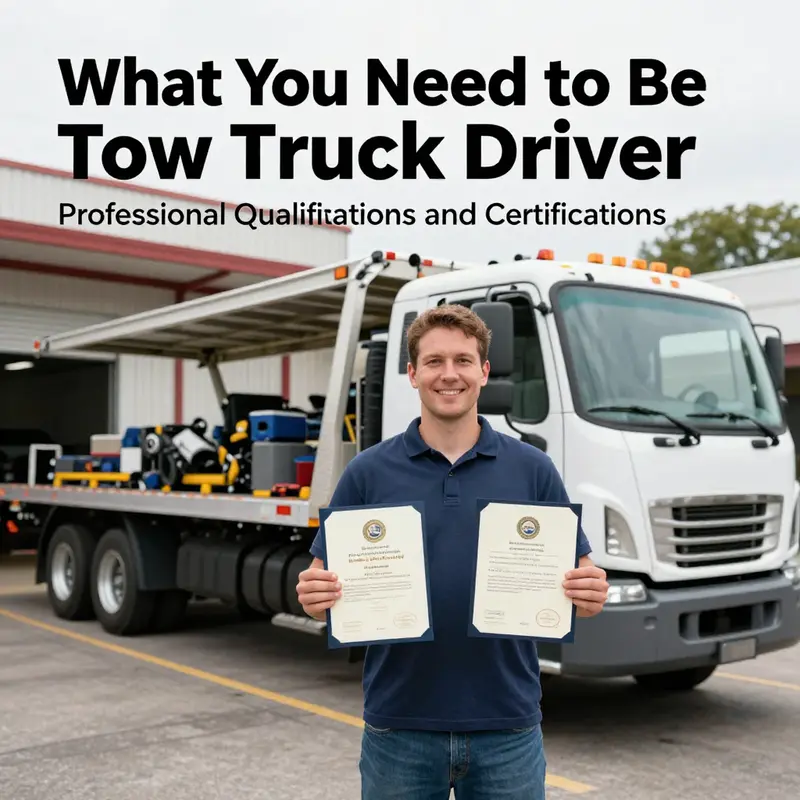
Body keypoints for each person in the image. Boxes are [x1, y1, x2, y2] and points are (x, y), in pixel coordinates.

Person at [296, 304, 609, 799]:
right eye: (434, 361)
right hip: (399, 726)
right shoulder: (368, 472)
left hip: (508, 727)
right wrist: (314, 594)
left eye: (463, 360)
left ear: (484, 372)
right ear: (412, 373)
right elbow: (319, 583)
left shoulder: (533, 469)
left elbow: (583, 581)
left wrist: (591, 593)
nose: (449, 374)